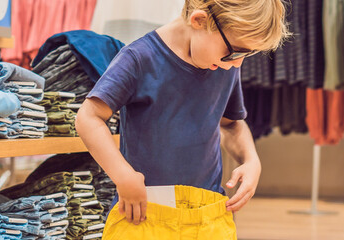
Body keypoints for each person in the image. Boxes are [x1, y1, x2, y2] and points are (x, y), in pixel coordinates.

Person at [75, 0, 289, 226]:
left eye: (247, 54)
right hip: (144, 213)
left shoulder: (223, 65)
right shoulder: (139, 59)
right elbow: (89, 117)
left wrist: (251, 159)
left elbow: (231, 124)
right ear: (199, 21)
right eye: (233, 52)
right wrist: (123, 176)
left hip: (206, 211)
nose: (236, 64)